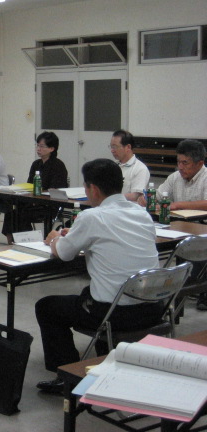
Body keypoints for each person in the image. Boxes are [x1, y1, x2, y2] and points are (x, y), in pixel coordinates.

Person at [35, 158, 162, 394]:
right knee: (90, 293)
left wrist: (54, 237)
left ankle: (67, 374)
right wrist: (75, 234)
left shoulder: (92, 217)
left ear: (92, 188)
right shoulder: (141, 213)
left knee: (47, 307)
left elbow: (63, 253)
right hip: (152, 307)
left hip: (115, 314)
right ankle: (107, 358)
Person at [138, 139, 207, 310]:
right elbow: (160, 196)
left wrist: (179, 204)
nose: (181, 167)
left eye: (185, 163)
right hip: (178, 229)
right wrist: (146, 199)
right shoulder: (174, 177)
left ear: (200, 163)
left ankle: (200, 291)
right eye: (178, 162)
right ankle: (173, 290)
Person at [1, 131, 68, 242]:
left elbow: (56, 189)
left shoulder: (58, 165)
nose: (38, 149)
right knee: (11, 212)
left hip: (49, 205)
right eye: (37, 145)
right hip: (33, 201)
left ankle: (29, 242)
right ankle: (11, 242)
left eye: (42, 146)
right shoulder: (36, 164)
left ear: (52, 148)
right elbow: (29, 185)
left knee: (22, 214)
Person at [110, 129, 150, 201]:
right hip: (111, 206)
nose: (112, 150)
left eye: (115, 147)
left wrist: (111, 198)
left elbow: (135, 196)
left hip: (128, 209)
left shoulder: (140, 168)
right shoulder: (112, 166)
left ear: (128, 147)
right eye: (111, 147)